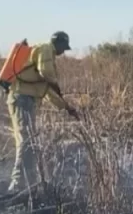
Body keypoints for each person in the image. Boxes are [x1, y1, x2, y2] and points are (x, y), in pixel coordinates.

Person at [6, 31, 79, 193]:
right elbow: (46, 73)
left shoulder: (45, 63)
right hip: (21, 99)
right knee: (25, 142)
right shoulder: (46, 48)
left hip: (27, 101)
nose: (63, 52)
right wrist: (55, 84)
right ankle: (16, 185)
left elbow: (50, 93)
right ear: (57, 43)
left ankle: (29, 184)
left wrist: (67, 108)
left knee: (30, 143)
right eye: (63, 47)